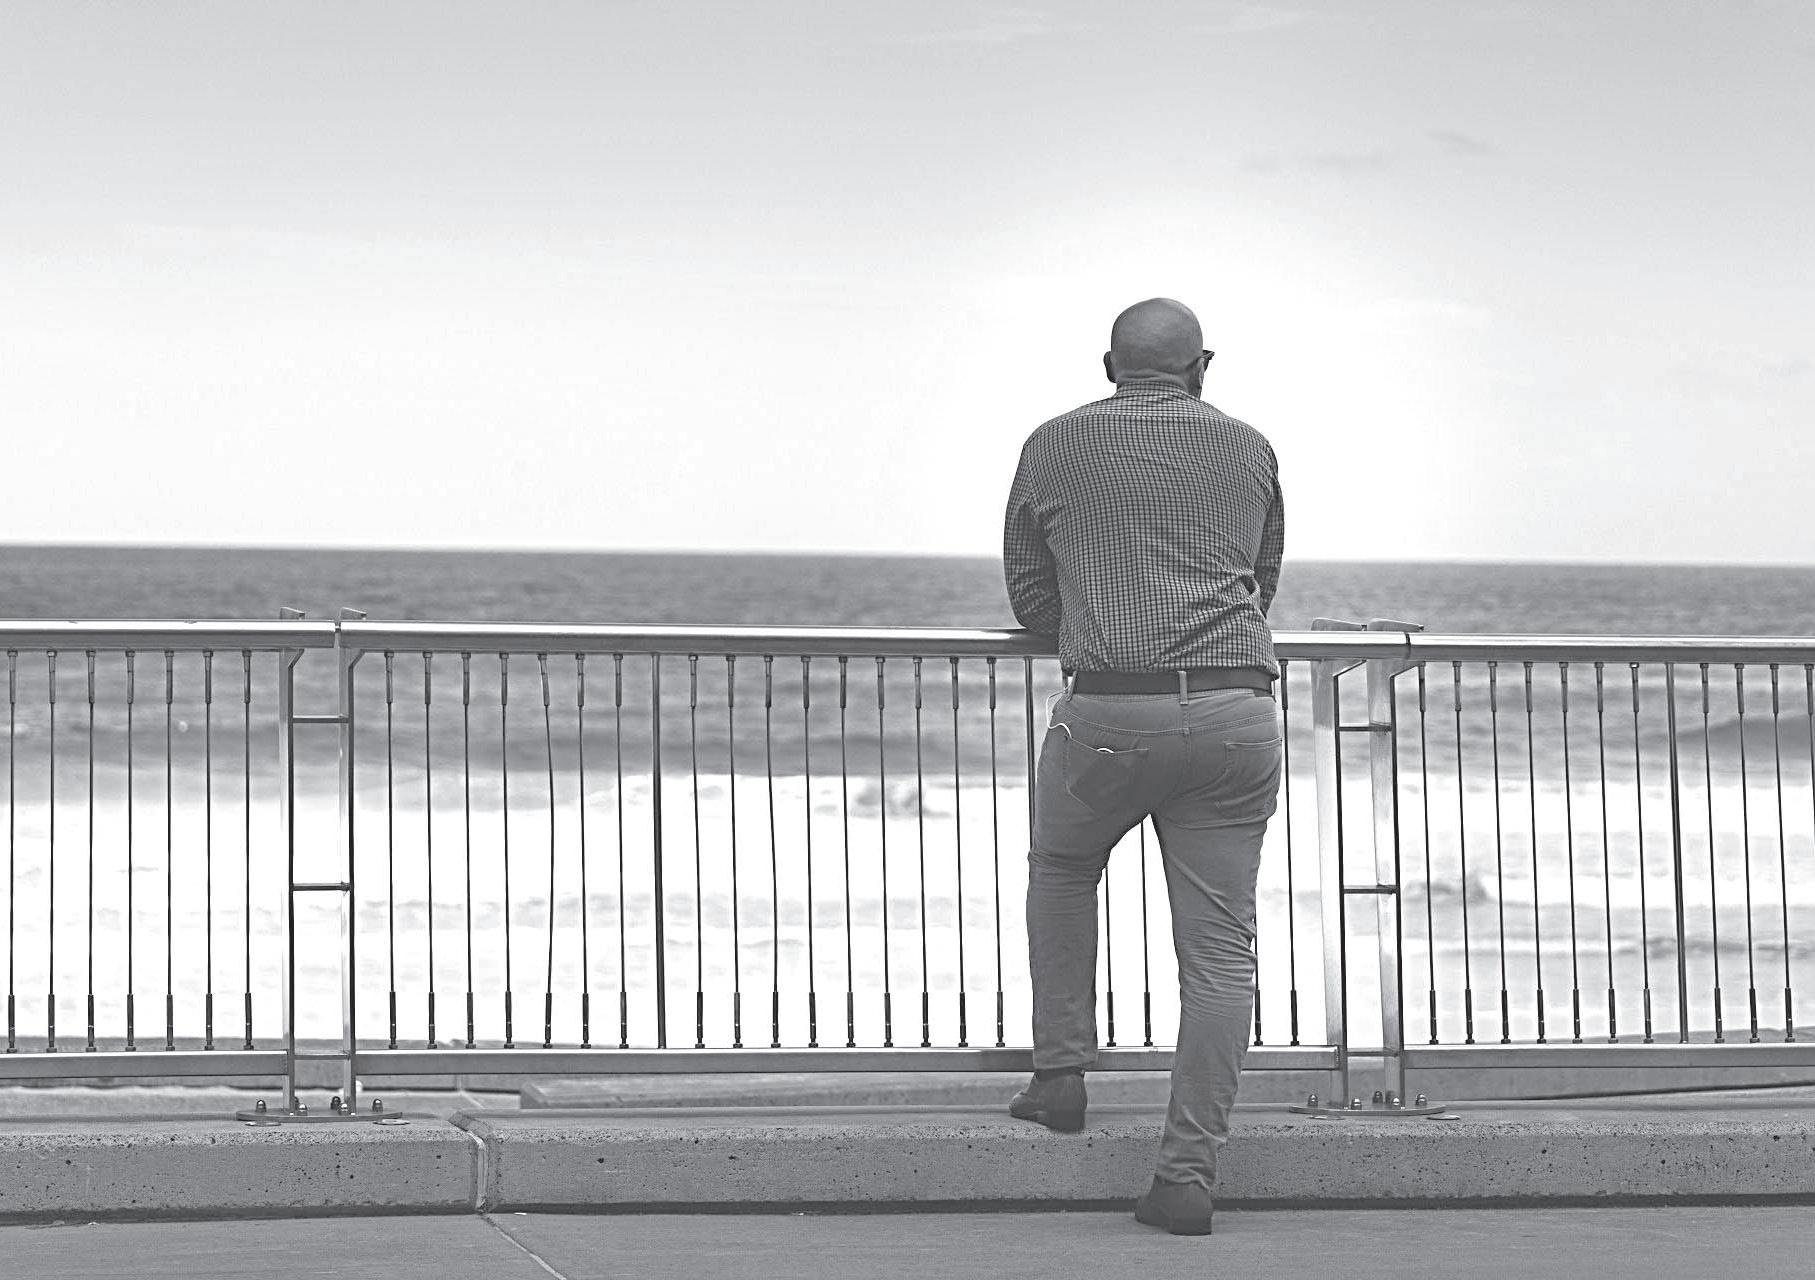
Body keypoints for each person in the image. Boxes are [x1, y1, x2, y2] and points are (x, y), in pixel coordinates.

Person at [1000, 297, 1285, 1236]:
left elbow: (1030, 595)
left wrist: (1103, 617)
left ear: (1107, 365)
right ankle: (1186, 1176)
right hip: (1236, 713)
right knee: (1220, 952)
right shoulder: (1248, 447)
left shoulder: (1052, 443)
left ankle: (1058, 1075)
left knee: (1062, 868)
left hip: (1110, 712)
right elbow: (1261, 582)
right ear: (1202, 366)